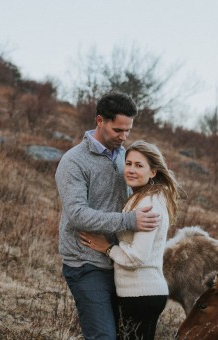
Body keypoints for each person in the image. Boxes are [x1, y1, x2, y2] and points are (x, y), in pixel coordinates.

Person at [54, 92, 161, 340]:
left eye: (128, 131)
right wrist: (129, 221)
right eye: (118, 130)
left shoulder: (126, 157)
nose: (124, 137)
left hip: (120, 260)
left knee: (127, 335)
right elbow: (78, 215)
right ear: (100, 121)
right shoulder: (74, 162)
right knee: (103, 336)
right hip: (86, 263)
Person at [80, 140, 182, 340]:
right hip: (140, 293)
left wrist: (108, 248)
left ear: (153, 172)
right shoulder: (140, 197)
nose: (131, 170)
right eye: (128, 163)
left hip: (141, 294)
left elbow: (138, 257)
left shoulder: (148, 203)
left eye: (139, 165)